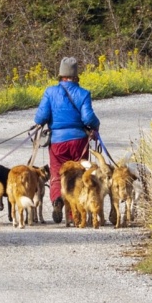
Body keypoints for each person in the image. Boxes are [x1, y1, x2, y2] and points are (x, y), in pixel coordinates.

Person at [34, 56, 100, 223]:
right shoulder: (84, 93)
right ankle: (74, 215)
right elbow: (88, 118)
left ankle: (57, 199)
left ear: (60, 75)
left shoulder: (50, 92)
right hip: (79, 141)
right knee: (79, 175)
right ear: (76, 75)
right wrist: (96, 126)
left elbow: (41, 117)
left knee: (57, 173)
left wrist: (40, 124)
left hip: (57, 141)